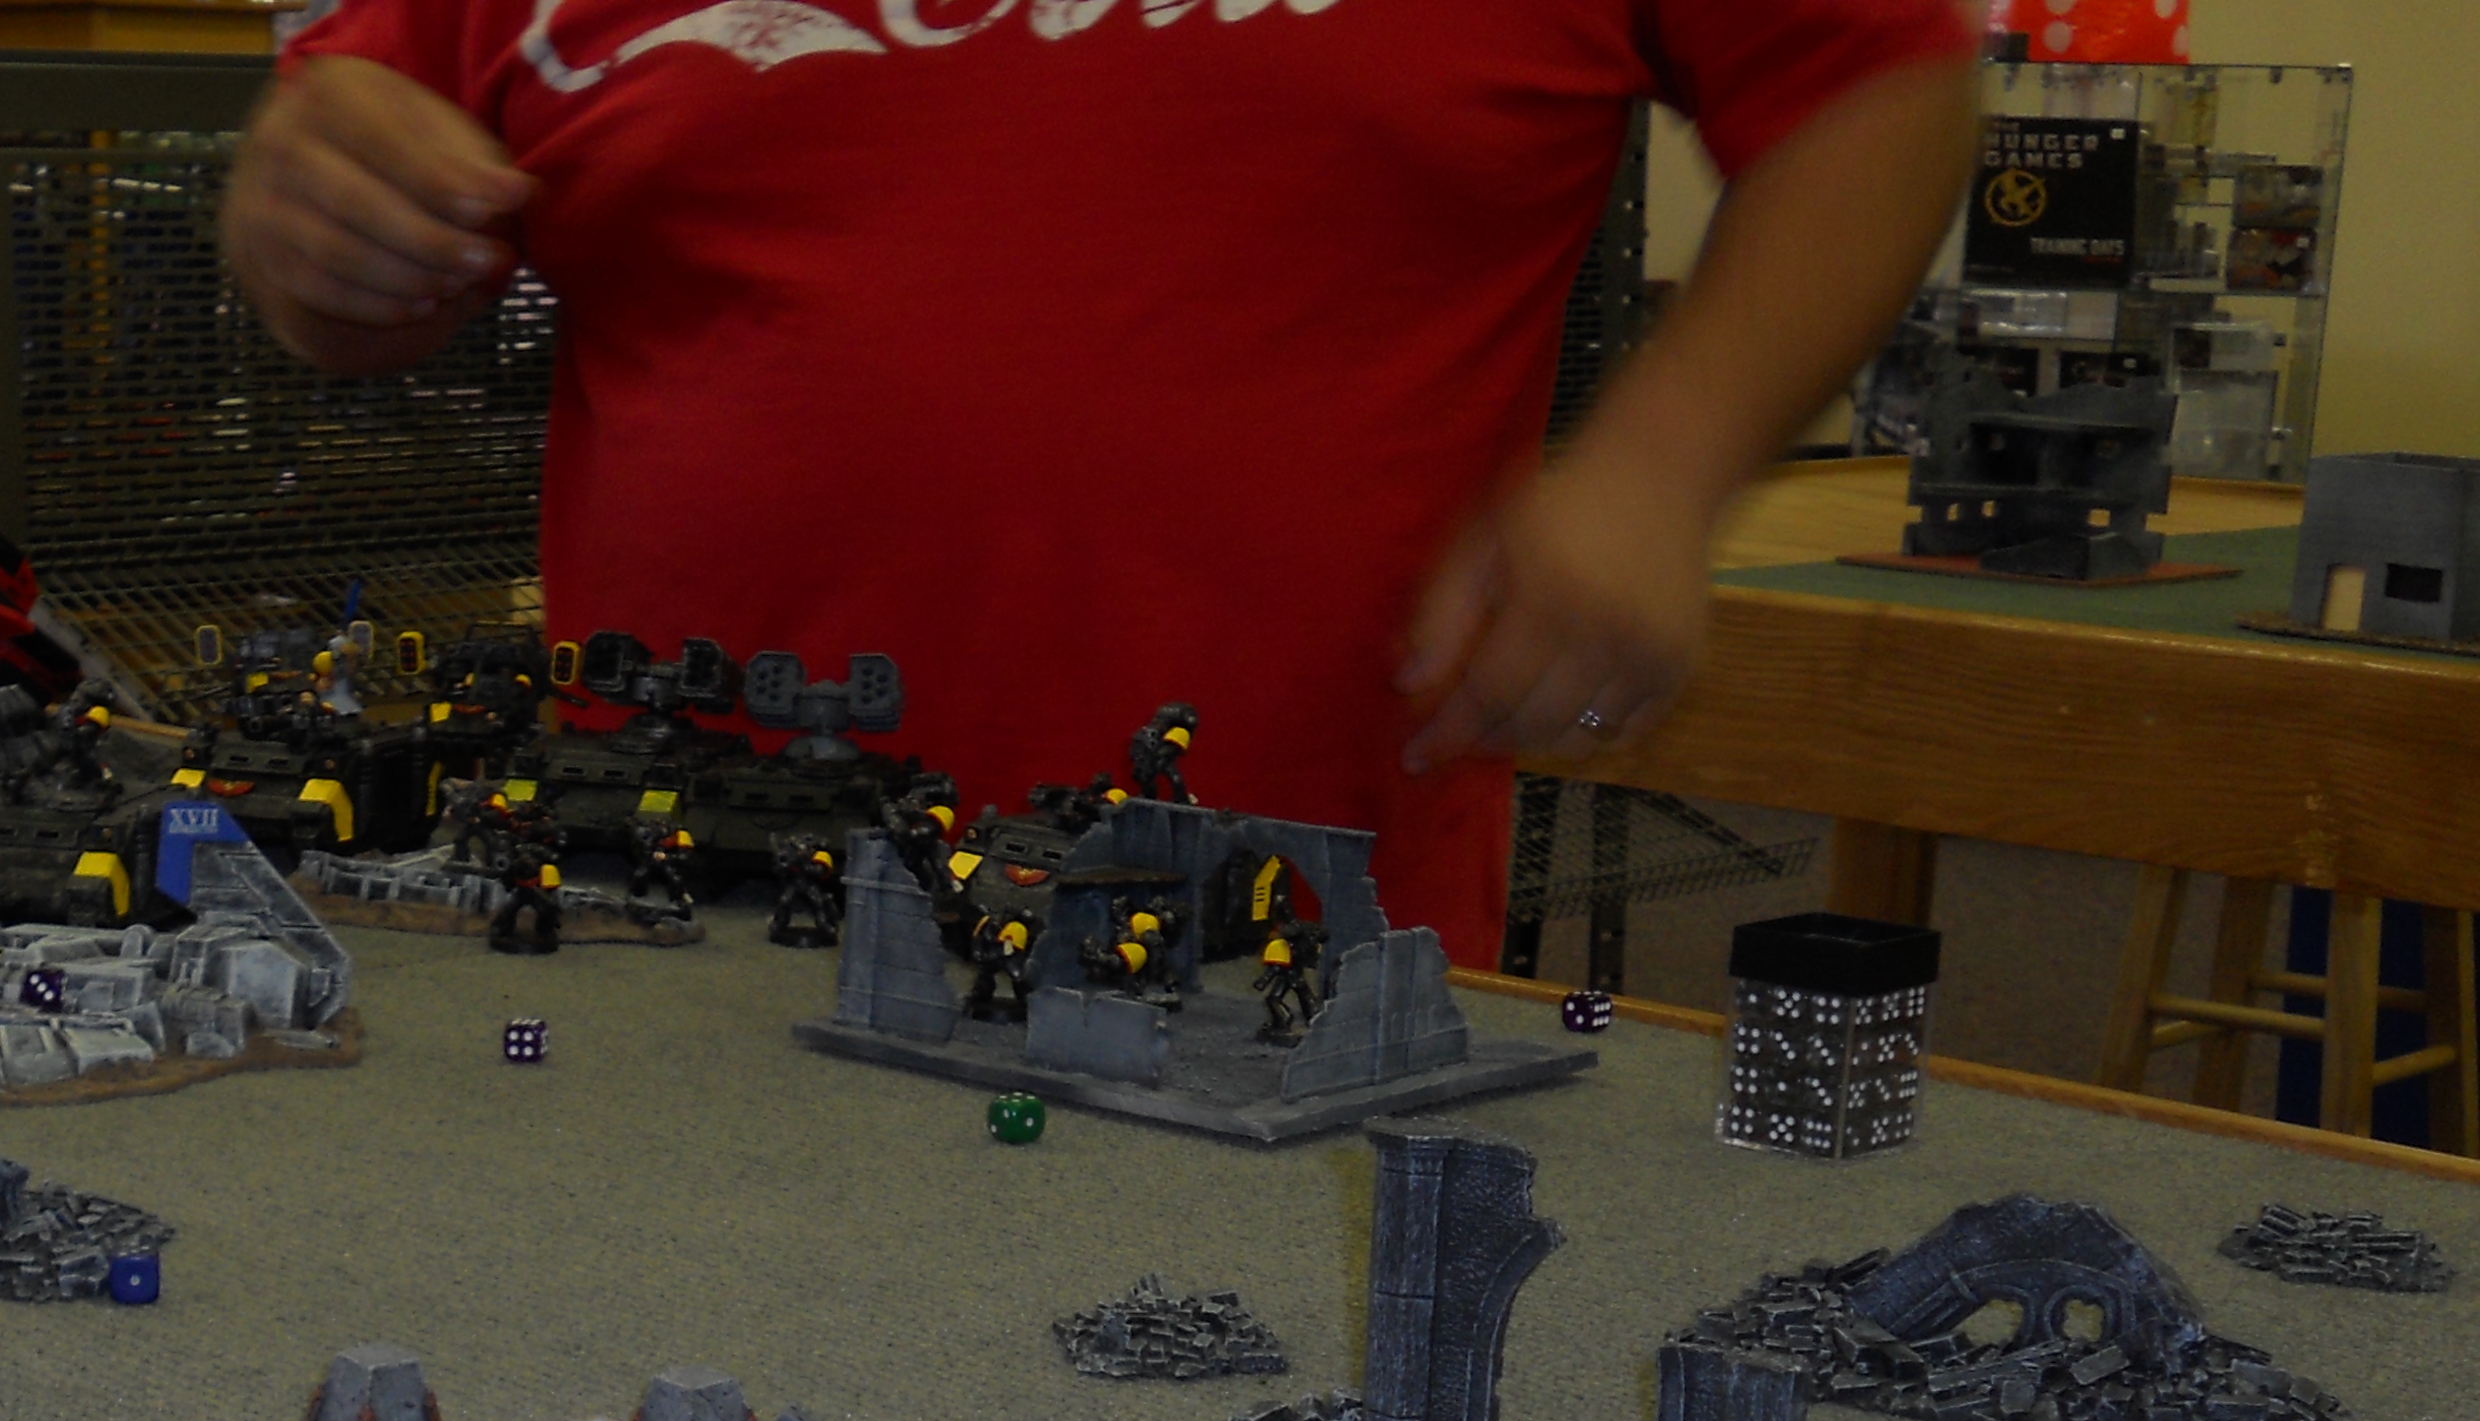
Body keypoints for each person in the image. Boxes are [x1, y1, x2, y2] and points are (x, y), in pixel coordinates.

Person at [223, 0, 1975, 958]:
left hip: (1267, 936)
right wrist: (316, 226)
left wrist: (1665, 464)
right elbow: (343, 179)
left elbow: (1874, 85)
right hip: (674, 921)